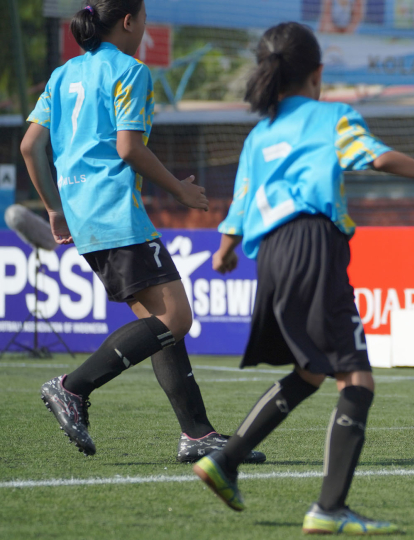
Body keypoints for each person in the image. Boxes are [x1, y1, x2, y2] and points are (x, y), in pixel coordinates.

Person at [192, 22, 414, 536]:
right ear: (317, 74)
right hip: (313, 245)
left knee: (311, 371)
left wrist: (224, 249)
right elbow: (377, 157)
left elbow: (240, 201)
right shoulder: (331, 117)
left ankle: (226, 460)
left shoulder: (260, 134)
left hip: (273, 258)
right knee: (358, 379)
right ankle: (328, 508)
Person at [22, 0, 264, 464]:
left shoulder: (63, 74)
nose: (146, 28)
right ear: (130, 21)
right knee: (177, 319)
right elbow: (128, 148)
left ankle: (197, 434)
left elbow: (30, 145)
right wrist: (179, 191)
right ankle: (72, 388)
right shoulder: (130, 71)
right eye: (146, 19)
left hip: (82, 213)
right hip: (114, 211)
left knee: (160, 325)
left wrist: (54, 208)